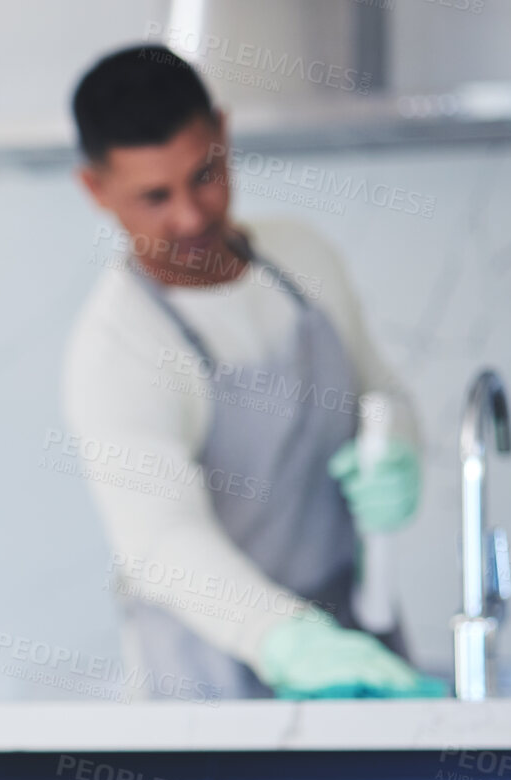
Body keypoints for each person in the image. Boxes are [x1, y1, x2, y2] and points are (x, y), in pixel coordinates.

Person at [63, 45, 442, 700]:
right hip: (207, 672)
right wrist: (287, 639)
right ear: (95, 190)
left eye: (204, 174)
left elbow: (376, 392)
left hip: (349, 634)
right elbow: (159, 541)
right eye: (154, 197)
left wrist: (397, 449)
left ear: (223, 134)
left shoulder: (301, 258)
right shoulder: (114, 348)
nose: (189, 216)